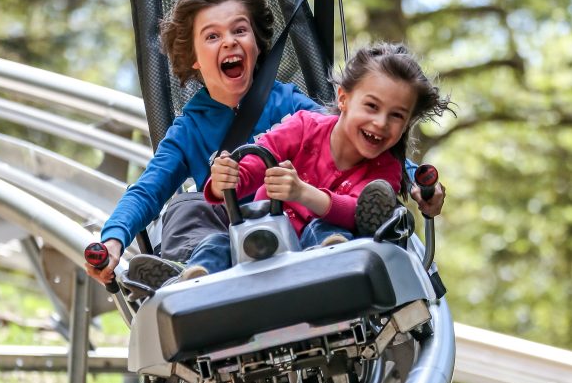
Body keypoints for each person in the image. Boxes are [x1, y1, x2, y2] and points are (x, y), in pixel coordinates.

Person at [86, 0, 321, 293]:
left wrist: (410, 179)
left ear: (255, 42)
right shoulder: (189, 129)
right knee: (187, 205)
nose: (229, 42)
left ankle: (327, 247)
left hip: (295, 226)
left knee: (322, 184)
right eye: (212, 36)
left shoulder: (290, 104)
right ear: (194, 57)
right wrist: (112, 240)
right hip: (222, 248)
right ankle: (185, 273)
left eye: (239, 30)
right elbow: (147, 190)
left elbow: (348, 137)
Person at [178, 42, 451, 279]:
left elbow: (359, 215)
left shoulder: (386, 170)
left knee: (328, 230)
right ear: (343, 98)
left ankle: (328, 260)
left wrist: (301, 192)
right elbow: (249, 169)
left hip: (320, 257)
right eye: (371, 106)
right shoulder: (304, 126)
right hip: (263, 238)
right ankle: (190, 280)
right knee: (216, 243)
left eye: (396, 116)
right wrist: (223, 180)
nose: (380, 123)